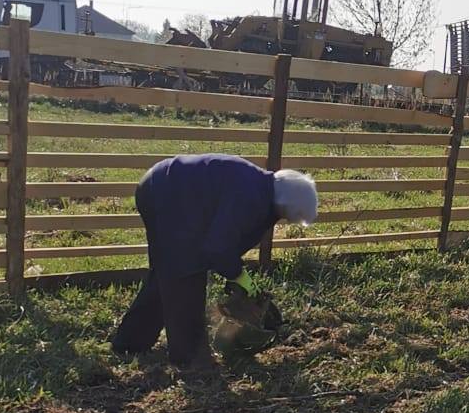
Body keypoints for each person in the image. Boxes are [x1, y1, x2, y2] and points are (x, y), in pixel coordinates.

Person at [112, 154, 318, 367]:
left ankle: (130, 343)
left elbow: (224, 239)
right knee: (186, 276)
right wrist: (238, 275)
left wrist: (236, 273)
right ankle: (191, 360)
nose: (285, 220)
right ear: (284, 204)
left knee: (167, 274)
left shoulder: (261, 190)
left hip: (162, 186)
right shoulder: (250, 198)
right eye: (288, 215)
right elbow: (218, 247)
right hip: (166, 192)